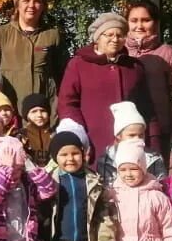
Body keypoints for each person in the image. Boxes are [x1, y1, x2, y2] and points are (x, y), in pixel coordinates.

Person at [58, 11, 161, 161]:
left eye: (119, 35)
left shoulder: (134, 67)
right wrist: (78, 138)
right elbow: (67, 104)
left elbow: (147, 107)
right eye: (109, 35)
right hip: (93, 143)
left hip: (130, 147)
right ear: (97, 38)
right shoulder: (78, 65)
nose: (115, 39)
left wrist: (153, 143)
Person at [0, 0, 65, 112]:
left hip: (43, 110)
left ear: (43, 6)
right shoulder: (1, 34)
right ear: (17, 5)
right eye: (26, 1)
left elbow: (63, 73)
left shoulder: (53, 35)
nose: (31, 5)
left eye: (37, 1)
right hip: (9, 108)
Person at [127, 0, 172, 158]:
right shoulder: (119, 52)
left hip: (159, 131)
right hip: (126, 132)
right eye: (134, 20)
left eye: (146, 20)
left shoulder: (168, 53)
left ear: (155, 23)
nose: (139, 26)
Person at [99, 101, 168, 188]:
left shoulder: (153, 157)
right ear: (118, 136)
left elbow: (162, 184)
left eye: (141, 135)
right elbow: (106, 188)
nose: (137, 139)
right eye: (132, 135)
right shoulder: (107, 160)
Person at [20, 93, 53, 167]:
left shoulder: (54, 134)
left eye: (43, 111)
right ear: (26, 115)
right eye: (34, 111)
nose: (39, 115)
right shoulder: (22, 135)